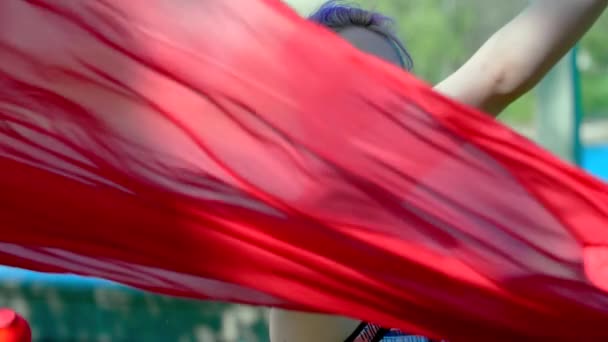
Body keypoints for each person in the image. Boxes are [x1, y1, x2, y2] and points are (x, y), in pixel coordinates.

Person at [269, 0, 608, 341]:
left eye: (394, 88)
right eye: (354, 85)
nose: (381, 106)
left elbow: (501, 70)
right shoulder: (312, 255)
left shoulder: (460, 237)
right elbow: (498, 73)